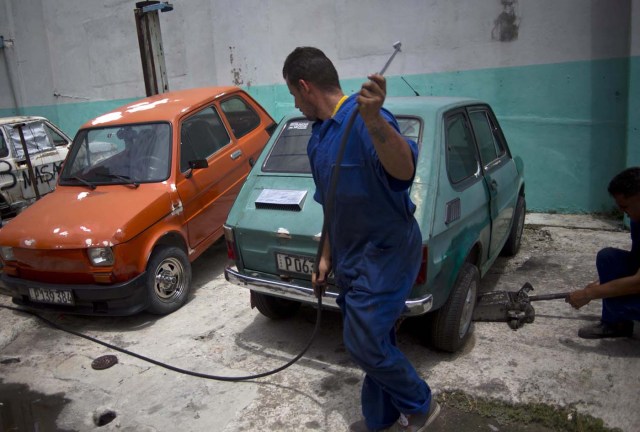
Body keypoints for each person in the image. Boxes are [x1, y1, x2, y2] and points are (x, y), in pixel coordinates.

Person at [282, 47, 439, 432]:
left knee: (363, 342)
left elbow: (404, 172)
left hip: (386, 253)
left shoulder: (368, 118)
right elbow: (332, 205)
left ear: (304, 87)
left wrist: (375, 123)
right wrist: (325, 257)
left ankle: (421, 406)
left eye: (292, 94)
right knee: (377, 339)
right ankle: (381, 419)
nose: (295, 103)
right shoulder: (318, 138)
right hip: (352, 257)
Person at [567, 167, 640, 339]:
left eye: (625, 206)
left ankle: (619, 314)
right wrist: (600, 283)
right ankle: (616, 324)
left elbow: (638, 283)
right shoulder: (637, 218)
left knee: (616, 303)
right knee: (608, 257)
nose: (623, 212)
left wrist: (589, 294)